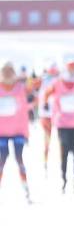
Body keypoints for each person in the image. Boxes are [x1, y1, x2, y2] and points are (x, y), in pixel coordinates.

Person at [44, 60, 74, 192]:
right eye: (70, 68)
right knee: (64, 152)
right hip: (62, 123)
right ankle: (64, 178)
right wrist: (45, 104)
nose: (72, 71)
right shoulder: (58, 82)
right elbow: (46, 94)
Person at [0, 61, 31, 201]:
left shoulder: (19, 88)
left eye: (9, 71)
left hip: (18, 131)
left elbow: (24, 112)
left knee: (19, 159)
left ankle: (26, 189)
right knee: (1, 161)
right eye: (4, 71)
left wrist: (26, 133)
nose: (7, 74)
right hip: (1, 133)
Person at [37, 63, 59, 172]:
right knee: (49, 139)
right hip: (48, 115)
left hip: (52, 114)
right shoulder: (48, 81)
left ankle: (49, 161)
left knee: (51, 139)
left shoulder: (53, 81)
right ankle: (46, 161)